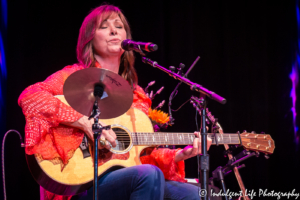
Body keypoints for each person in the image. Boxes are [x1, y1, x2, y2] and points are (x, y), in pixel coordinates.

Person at [18, 4, 212, 200]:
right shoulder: (74, 77)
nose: (113, 30)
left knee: (196, 194)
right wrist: (86, 123)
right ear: (89, 38)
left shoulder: (136, 95)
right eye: (104, 26)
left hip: (126, 177)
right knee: (148, 176)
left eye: (119, 26)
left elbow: (140, 159)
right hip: (82, 182)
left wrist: (181, 154)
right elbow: (30, 96)